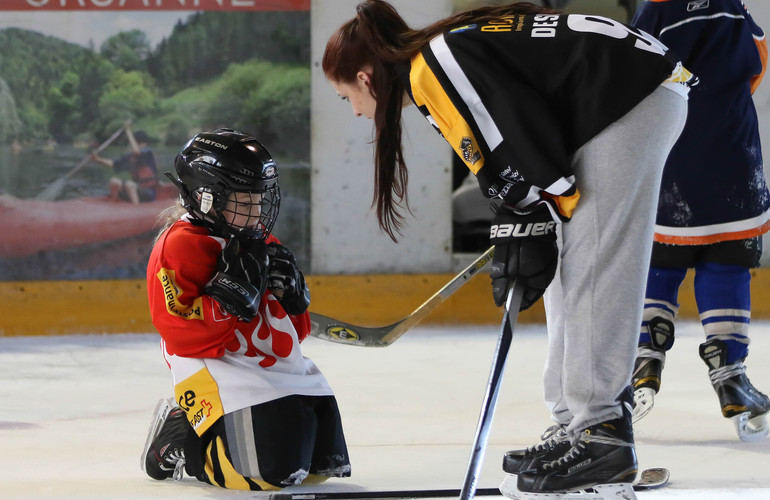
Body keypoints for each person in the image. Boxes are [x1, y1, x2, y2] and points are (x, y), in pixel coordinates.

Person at [322, 1, 693, 498]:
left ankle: (603, 433)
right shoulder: (439, 59)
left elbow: (512, 127)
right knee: (571, 266)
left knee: (596, 266)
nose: (355, 111)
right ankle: (575, 423)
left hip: (627, 99)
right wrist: (524, 210)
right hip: (624, 96)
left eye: (346, 97)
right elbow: (512, 125)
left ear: (366, 78)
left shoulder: (434, 63)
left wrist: (524, 207)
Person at [141, 128, 351, 491]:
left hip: (272, 368)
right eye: (244, 201)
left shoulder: (259, 239)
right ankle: (182, 435)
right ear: (207, 197)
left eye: (259, 199)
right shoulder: (179, 246)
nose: (256, 212)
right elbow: (178, 334)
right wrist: (227, 300)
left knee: (321, 466)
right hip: (216, 368)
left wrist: (294, 302)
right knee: (267, 475)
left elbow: (294, 334)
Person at [629, 0, 770, 441]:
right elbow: (758, 60)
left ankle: (644, 360)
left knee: (658, 259)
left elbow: (629, 80)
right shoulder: (731, 5)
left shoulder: (653, 11)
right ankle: (730, 373)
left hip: (669, 157)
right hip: (733, 156)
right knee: (727, 261)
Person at [91, 127, 158, 204]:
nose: (139, 146)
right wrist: (98, 159)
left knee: (129, 184)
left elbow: (137, 151)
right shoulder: (131, 157)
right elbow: (114, 164)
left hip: (148, 192)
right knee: (114, 181)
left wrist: (128, 131)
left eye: (140, 144)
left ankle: (136, 209)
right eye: (138, 143)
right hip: (134, 189)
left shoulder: (148, 153)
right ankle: (114, 205)